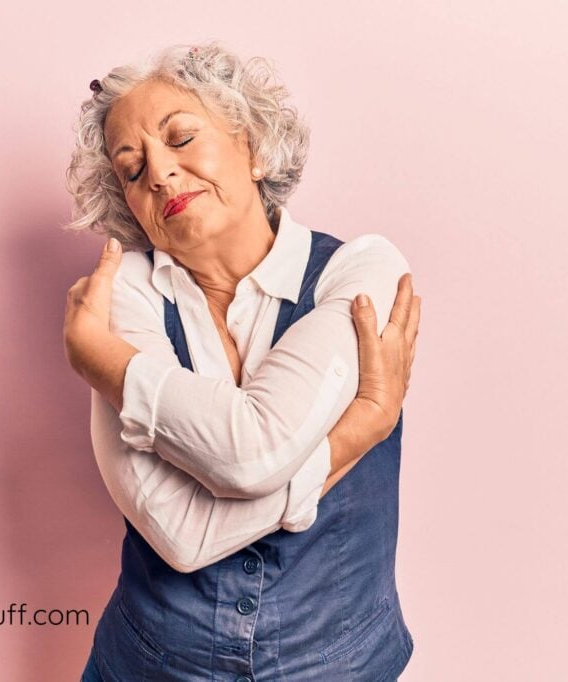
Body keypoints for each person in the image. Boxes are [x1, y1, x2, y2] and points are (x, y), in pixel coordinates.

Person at [62, 41, 421, 681]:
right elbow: (181, 536)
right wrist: (358, 428)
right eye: (131, 167)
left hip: (342, 667)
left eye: (181, 138)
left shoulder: (361, 271)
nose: (161, 174)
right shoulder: (125, 298)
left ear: (253, 148)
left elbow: (251, 455)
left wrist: (110, 366)